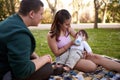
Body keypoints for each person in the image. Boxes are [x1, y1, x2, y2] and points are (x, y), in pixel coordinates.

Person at [47, 9, 120, 73]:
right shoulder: (51, 35)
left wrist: (84, 49)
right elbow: (56, 53)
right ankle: (66, 66)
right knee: (92, 66)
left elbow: (79, 38)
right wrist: (70, 44)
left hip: (75, 52)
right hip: (65, 57)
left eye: (70, 24)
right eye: (66, 24)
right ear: (59, 23)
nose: (69, 26)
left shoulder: (68, 29)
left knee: (97, 57)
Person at [0, 0, 53, 80]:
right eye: (41, 14)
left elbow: (18, 49)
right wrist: (45, 59)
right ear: (31, 14)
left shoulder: (13, 21)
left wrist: (37, 58)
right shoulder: (20, 34)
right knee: (47, 68)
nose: (42, 17)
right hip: (3, 74)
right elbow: (22, 71)